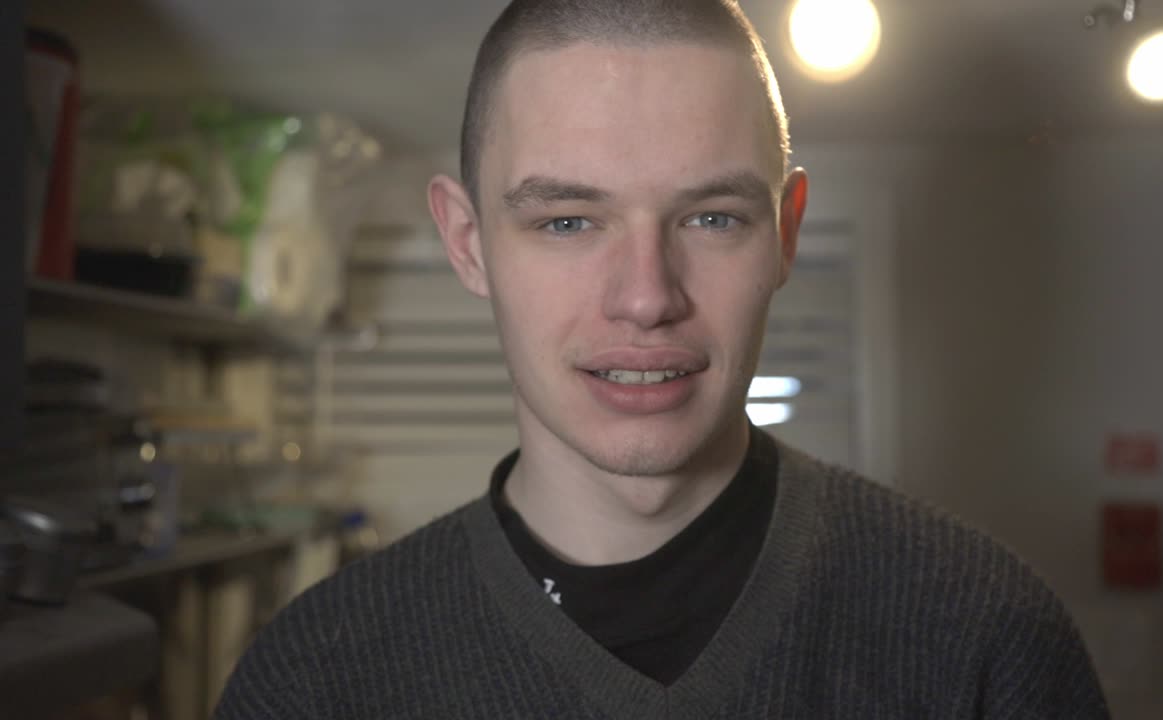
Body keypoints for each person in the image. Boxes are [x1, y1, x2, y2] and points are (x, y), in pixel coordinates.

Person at [215, 1, 1110, 717]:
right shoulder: (317, 677)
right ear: (468, 242)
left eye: (711, 218)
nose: (646, 296)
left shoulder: (985, 634)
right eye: (567, 221)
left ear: (785, 233)